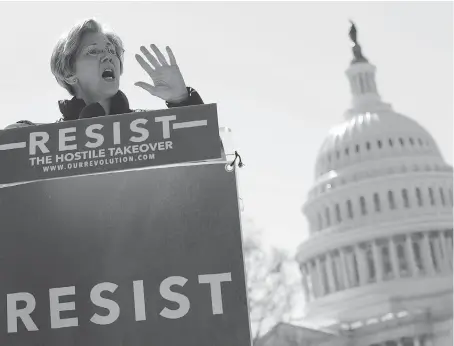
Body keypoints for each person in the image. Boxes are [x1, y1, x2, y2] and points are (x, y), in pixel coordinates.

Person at [4, 18, 205, 127]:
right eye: (93, 51)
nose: (108, 57)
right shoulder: (37, 138)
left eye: (111, 51)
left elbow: (209, 160)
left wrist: (183, 101)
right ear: (68, 73)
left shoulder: (153, 128)